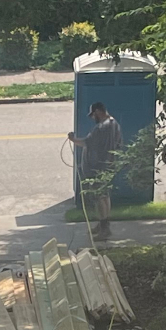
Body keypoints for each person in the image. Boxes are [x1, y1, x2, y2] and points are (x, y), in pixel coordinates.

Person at [70, 101, 122, 242]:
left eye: (93, 115)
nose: (93, 118)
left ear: (98, 112)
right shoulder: (115, 124)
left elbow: (86, 142)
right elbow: (118, 144)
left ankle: (105, 229)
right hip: (109, 165)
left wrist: (73, 139)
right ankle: (103, 223)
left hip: (97, 168)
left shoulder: (101, 128)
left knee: (100, 197)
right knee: (105, 196)